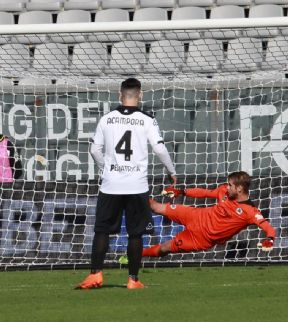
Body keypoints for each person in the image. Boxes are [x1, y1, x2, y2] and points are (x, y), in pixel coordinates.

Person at [75, 78, 177, 290]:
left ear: (119, 95)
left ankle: (95, 275)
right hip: (136, 186)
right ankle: (133, 279)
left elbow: (94, 150)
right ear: (140, 95)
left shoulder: (107, 118)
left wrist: (106, 168)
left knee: (102, 231)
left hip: (111, 184)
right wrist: (171, 171)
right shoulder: (147, 119)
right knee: (135, 233)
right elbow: (159, 149)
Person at [142, 171, 276, 258]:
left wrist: (269, 240)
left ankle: (135, 255)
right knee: (156, 207)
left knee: (165, 248)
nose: (227, 187)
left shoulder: (250, 212)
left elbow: (269, 228)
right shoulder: (224, 191)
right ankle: (130, 194)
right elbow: (205, 193)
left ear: (239, 188)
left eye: (230, 185)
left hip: (200, 239)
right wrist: (181, 192)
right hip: (196, 215)